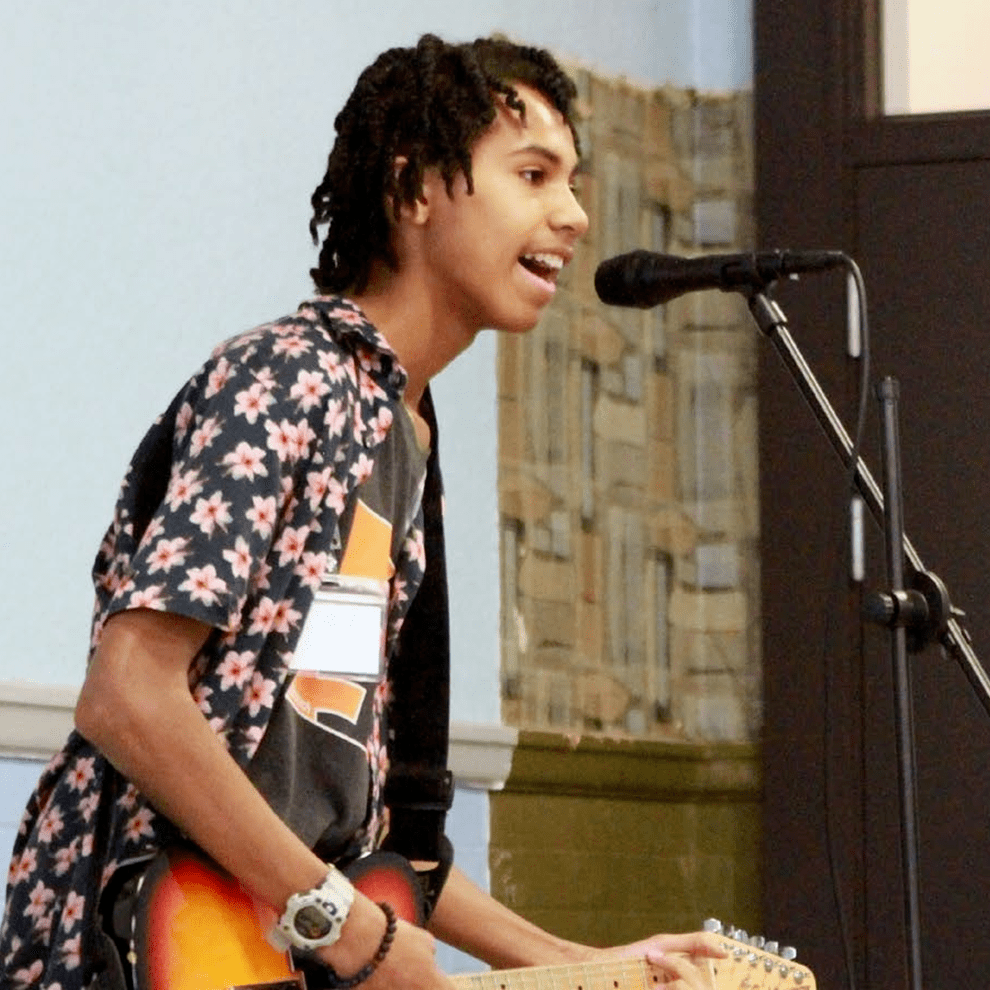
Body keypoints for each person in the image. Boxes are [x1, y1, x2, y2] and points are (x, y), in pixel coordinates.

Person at [0, 33, 725, 990]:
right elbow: (128, 692)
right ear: (415, 188)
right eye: (535, 174)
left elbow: (366, 839)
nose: (575, 215)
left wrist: (584, 963)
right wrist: (335, 919)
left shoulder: (406, 431)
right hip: (128, 944)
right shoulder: (285, 380)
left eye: (573, 182)